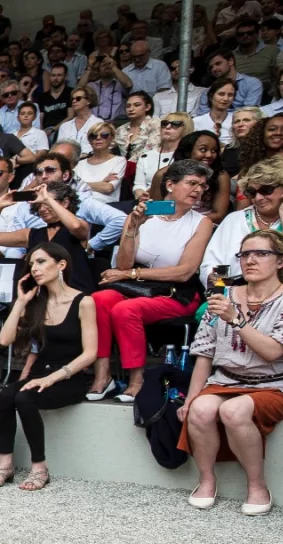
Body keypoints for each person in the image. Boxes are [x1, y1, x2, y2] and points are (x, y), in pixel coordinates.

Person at [180, 230, 283, 515]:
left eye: (261, 253)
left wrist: (236, 319)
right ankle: (206, 480)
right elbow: (204, 352)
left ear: (281, 261)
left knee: (233, 411)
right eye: (245, 254)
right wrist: (190, 398)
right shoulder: (223, 295)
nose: (250, 260)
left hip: (278, 384)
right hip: (226, 380)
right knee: (200, 409)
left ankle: (257, 486)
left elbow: (273, 352)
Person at [90, 160, 216, 402]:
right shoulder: (142, 215)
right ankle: (102, 376)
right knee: (99, 300)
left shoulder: (202, 222)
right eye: (192, 183)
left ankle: (137, 380)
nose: (198, 190)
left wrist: (130, 275)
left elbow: (184, 272)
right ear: (170, 185)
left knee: (126, 309)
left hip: (177, 292)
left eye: (202, 185)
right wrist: (132, 228)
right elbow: (124, 264)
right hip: (139, 288)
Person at [0, 244, 99, 490]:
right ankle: (5, 464)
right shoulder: (36, 302)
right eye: (32, 265)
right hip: (39, 374)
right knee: (5, 396)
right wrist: (20, 302)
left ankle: (39, 468)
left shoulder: (84, 301)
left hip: (69, 377)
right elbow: (5, 340)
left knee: (24, 398)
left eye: (41, 262)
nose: (34, 269)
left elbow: (90, 353)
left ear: (61, 264)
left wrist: (53, 378)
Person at [202, 159, 283, 289]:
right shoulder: (234, 220)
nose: (258, 198)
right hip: (238, 294)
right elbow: (213, 264)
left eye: (266, 190)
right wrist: (225, 292)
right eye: (252, 192)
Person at [0, 181, 94, 290]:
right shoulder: (32, 234)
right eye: (38, 205)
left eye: (46, 203)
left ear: (65, 203)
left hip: (76, 291)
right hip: (45, 295)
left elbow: (75, 226)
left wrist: (47, 198)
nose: (42, 209)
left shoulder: (79, 226)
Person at [151, 132, 232, 223]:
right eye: (203, 150)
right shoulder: (163, 174)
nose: (209, 155)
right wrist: (175, 221)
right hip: (169, 221)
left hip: (203, 223)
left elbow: (218, 214)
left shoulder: (220, 176)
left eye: (214, 151)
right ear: (187, 151)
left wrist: (189, 222)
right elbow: (155, 209)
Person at [235, 113, 283, 191]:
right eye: (272, 129)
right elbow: (243, 198)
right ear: (261, 133)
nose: (278, 133)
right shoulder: (247, 170)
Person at [133, 114, 191, 198]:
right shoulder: (146, 156)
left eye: (175, 124)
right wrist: (142, 197)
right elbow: (139, 185)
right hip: (148, 202)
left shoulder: (187, 156)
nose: (168, 127)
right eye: (164, 123)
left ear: (185, 129)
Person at [74, 120, 125, 199]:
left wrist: (82, 185)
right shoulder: (79, 164)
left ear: (111, 138)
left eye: (104, 135)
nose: (98, 138)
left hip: (107, 204)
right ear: (89, 140)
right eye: (93, 135)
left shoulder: (119, 161)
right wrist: (101, 182)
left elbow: (108, 188)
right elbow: (71, 187)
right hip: (80, 203)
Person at [117, 92, 159, 165]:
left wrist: (126, 166)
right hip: (123, 168)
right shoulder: (121, 129)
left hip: (148, 167)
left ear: (147, 107)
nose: (131, 109)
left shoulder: (155, 124)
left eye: (137, 105)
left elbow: (149, 151)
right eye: (128, 106)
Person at [194, 77, 238, 147]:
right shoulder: (196, 122)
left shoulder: (237, 120)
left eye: (230, 95)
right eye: (221, 94)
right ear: (211, 97)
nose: (226, 98)